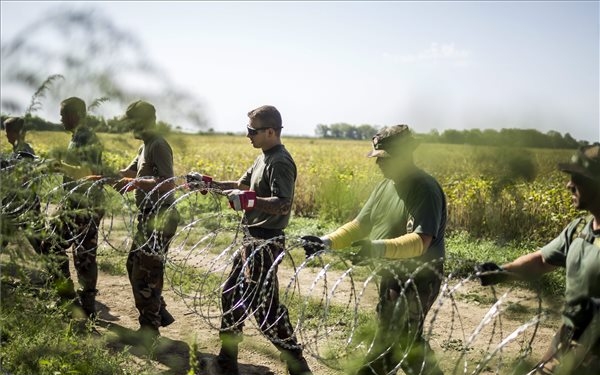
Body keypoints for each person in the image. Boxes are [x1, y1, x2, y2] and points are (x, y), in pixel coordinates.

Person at [301, 125, 446, 375]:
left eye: (385, 158)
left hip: (419, 277)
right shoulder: (385, 187)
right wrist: (326, 242)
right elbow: (360, 225)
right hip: (390, 273)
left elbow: (420, 241)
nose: (379, 164)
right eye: (377, 158)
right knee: (400, 339)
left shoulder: (424, 188)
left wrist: (377, 249)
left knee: (398, 340)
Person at [189, 105, 312, 375]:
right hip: (251, 240)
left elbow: (283, 204)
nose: (248, 136)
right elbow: (241, 186)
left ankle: (298, 365)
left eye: (251, 131)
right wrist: (207, 184)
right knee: (230, 294)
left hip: (266, 242)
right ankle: (227, 360)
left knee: (265, 311)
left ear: (270, 131)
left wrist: (251, 201)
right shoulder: (263, 157)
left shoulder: (280, 161)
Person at [475, 142, 600, 375]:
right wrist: (502, 272)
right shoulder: (579, 230)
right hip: (568, 338)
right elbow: (542, 260)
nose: (569, 184)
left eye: (578, 178)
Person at [113, 100, 179, 337]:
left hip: (160, 217)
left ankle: (149, 330)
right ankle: (158, 312)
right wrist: (104, 175)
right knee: (133, 265)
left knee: (146, 273)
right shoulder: (144, 146)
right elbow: (130, 172)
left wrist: (135, 183)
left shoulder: (158, 145)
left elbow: (168, 182)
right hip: (148, 216)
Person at [39, 97, 105, 318]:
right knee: (50, 244)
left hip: (86, 204)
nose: (60, 119)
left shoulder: (87, 137)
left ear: (74, 115)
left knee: (84, 256)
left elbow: (87, 172)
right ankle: (67, 298)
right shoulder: (76, 137)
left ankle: (87, 307)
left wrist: (59, 166)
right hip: (71, 202)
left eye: (62, 115)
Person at [1, 116, 42, 251]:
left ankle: (58, 267)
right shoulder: (20, 149)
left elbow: (23, 177)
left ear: (15, 132)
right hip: (20, 200)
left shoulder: (24, 151)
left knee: (38, 240)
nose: (5, 134)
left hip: (23, 202)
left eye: (7, 131)